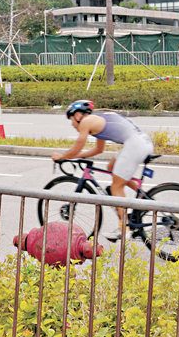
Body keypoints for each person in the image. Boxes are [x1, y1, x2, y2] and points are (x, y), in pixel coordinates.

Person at [51, 100, 154, 241]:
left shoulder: (86, 122)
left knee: (116, 187)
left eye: (71, 120)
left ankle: (125, 229)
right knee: (111, 168)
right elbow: (98, 149)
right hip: (142, 142)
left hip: (135, 146)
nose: (72, 124)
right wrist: (74, 157)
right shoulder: (96, 120)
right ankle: (143, 195)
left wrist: (62, 156)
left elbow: (77, 148)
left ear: (78, 115)